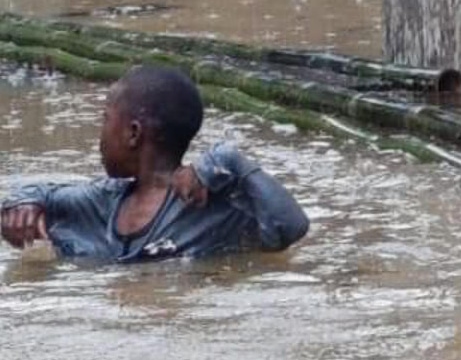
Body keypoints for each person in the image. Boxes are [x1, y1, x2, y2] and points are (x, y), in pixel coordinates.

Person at [1, 65, 309, 262]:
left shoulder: (212, 206)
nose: (100, 136)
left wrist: (230, 159)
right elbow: (40, 193)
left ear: (133, 133)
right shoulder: (103, 200)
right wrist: (23, 204)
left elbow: (291, 227)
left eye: (106, 119)